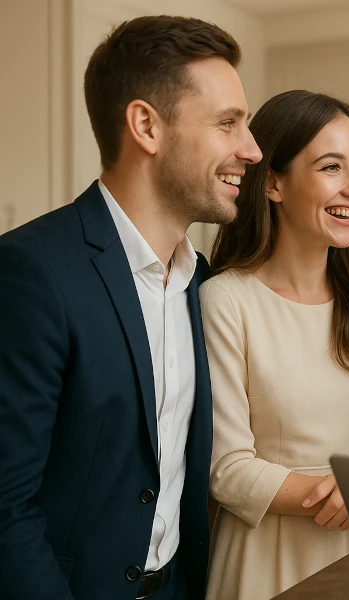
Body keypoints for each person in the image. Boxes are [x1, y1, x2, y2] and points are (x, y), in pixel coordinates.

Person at [0, 15, 262, 600]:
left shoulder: (203, 282)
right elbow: (5, 508)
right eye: (228, 124)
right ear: (146, 124)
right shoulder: (31, 272)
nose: (252, 149)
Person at [201, 90, 349, 600]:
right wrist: (344, 494)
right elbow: (228, 467)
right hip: (262, 560)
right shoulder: (226, 300)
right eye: (331, 167)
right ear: (274, 183)